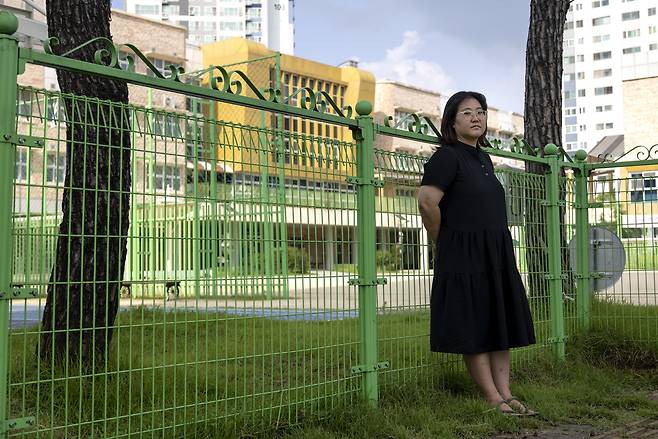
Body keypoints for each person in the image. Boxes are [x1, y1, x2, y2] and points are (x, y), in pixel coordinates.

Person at [417, 91, 537, 416]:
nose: (476, 117)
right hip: (463, 253)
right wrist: (443, 239)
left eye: (480, 112)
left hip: (494, 253)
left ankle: (507, 393)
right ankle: (491, 397)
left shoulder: (483, 159)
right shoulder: (447, 157)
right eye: (467, 112)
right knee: (473, 324)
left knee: (498, 320)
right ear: (452, 122)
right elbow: (428, 202)